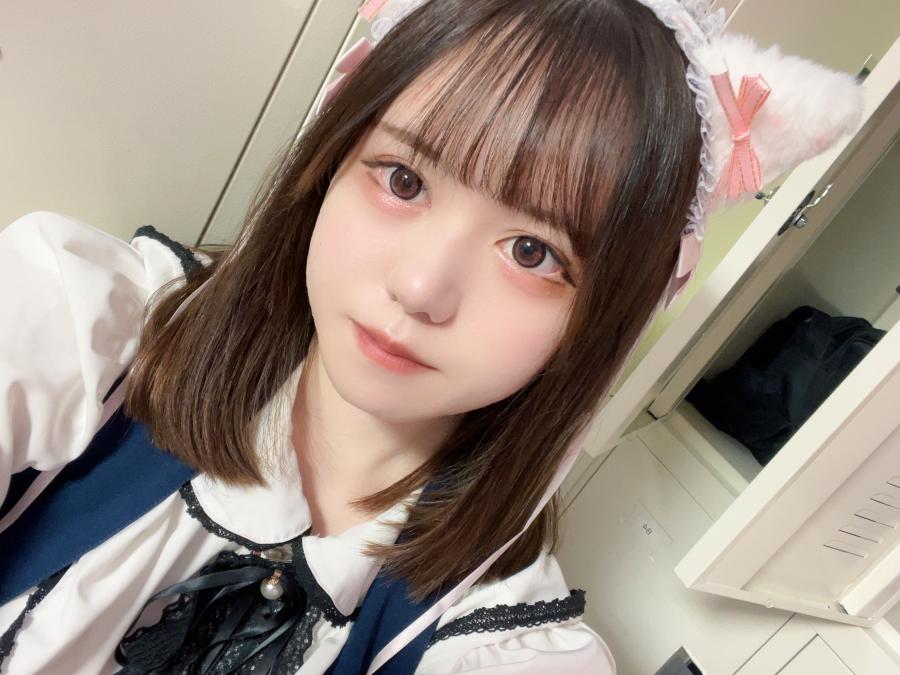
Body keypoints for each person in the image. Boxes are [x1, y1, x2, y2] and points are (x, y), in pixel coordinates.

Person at [0, 0, 863, 673]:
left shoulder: (500, 644)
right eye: (404, 179)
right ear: (331, 158)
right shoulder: (89, 325)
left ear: (604, 320)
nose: (420, 289)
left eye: (532, 251)